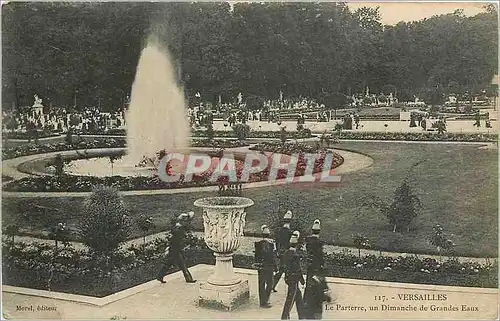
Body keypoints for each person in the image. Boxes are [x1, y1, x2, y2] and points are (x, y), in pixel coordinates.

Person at [157, 212, 197, 283]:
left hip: (175, 249)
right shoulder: (178, 229)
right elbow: (174, 240)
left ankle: (160, 276)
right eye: (186, 221)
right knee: (182, 265)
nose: (187, 222)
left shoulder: (178, 227)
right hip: (175, 250)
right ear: (183, 221)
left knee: (169, 264)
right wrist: (169, 248)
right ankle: (189, 279)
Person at [281, 231, 306, 320]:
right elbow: (298, 269)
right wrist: (302, 280)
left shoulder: (286, 253)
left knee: (298, 296)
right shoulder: (295, 255)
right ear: (296, 245)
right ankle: (284, 317)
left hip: (288, 277)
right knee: (290, 299)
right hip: (294, 279)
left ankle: (302, 315)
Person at [254, 225, 278, 308]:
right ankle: (266, 301)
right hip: (269, 267)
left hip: (261, 266)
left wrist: (257, 265)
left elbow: (256, 256)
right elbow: (273, 257)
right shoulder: (271, 244)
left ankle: (262, 302)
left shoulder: (258, 244)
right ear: (269, 235)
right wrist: (276, 267)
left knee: (261, 284)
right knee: (270, 284)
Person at [273, 210, 293, 291]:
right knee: (286, 270)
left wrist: (278, 251)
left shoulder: (280, 231)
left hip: (281, 252)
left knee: (281, 270)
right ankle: (290, 287)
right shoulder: (289, 232)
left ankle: (273, 285)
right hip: (286, 253)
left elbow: (277, 242)